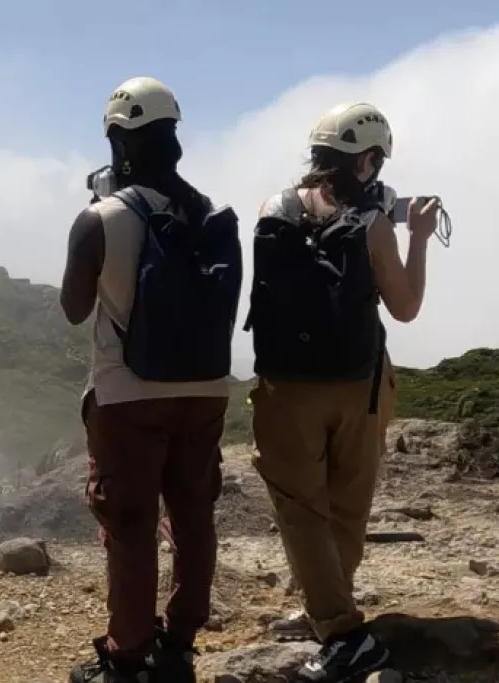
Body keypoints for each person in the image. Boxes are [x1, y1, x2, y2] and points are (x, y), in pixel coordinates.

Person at [245, 101, 438, 682]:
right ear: (366, 160)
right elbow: (404, 308)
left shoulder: (270, 209)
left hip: (284, 386)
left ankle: (330, 615)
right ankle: (346, 635)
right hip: (359, 384)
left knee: (301, 510)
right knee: (346, 507)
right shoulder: (376, 224)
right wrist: (420, 238)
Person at [61, 76, 241, 683]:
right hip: (207, 389)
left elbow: (74, 307)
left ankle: (128, 655)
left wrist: (96, 218)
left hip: (128, 394)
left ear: (117, 141)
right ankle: (180, 645)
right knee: (194, 516)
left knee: (131, 525)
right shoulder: (214, 216)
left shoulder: (101, 218)